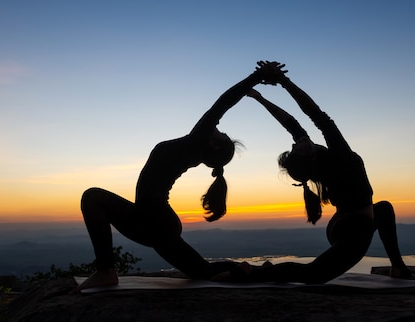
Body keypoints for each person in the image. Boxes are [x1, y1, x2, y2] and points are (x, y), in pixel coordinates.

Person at [71, 61, 281, 293]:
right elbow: (219, 109)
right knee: (201, 271)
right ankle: (258, 271)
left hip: (155, 221)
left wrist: (257, 76)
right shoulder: (193, 148)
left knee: (92, 198)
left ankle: (105, 271)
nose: (218, 128)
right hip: (153, 220)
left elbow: (222, 104)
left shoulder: (195, 144)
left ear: (214, 143)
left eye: (221, 133)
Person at [216, 61, 415, 284]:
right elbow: (315, 113)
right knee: (314, 274)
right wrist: (284, 81)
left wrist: (260, 98)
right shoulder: (341, 157)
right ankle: (252, 272)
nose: (294, 144)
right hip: (353, 231)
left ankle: (398, 267)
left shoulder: (320, 160)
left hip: (344, 223)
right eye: (294, 150)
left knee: (385, 209)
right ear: (309, 156)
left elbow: (289, 122)